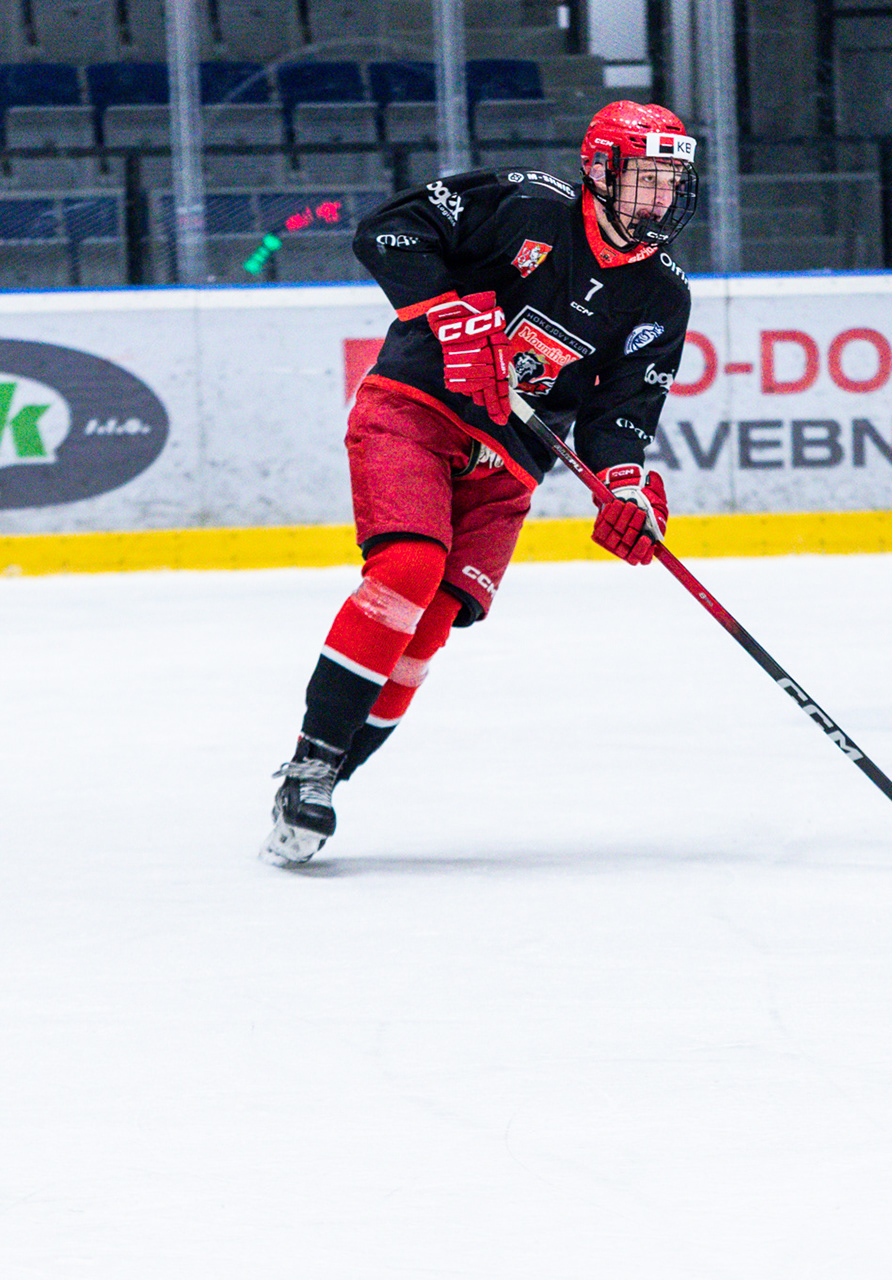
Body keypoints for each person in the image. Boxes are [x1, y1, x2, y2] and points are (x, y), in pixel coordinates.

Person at [260, 102, 698, 866]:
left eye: (671, 182)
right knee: (408, 567)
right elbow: (388, 231)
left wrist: (624, 487)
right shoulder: (527, 205)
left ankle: (328, 779)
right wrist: (448, 313)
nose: (660, 198)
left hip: (510, 460)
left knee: (434, 620)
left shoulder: (662, 294)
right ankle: (310, 767)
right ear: (600, 172)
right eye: (645, 179)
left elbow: (621, 413)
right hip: (417, 409)